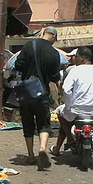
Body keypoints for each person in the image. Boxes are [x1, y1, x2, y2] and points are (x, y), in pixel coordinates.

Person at [14, 27, 62, 170]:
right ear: (54, 37)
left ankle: (30, 155)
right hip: (42, 93)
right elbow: (55, 77)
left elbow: (18, 65)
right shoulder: (54, 53)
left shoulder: (30, 45)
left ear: (43, 34)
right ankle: (42, 148)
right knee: (43, 122)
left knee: (27, 122)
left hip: (26, 93)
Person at [59, 47, 93, 159]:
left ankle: (69, 138)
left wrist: (69, 104)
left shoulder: (75, 70)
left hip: (76, 110)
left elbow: (66, 88)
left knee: (60, 114)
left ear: (82, 58)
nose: (75, 59)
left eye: (77, 57)